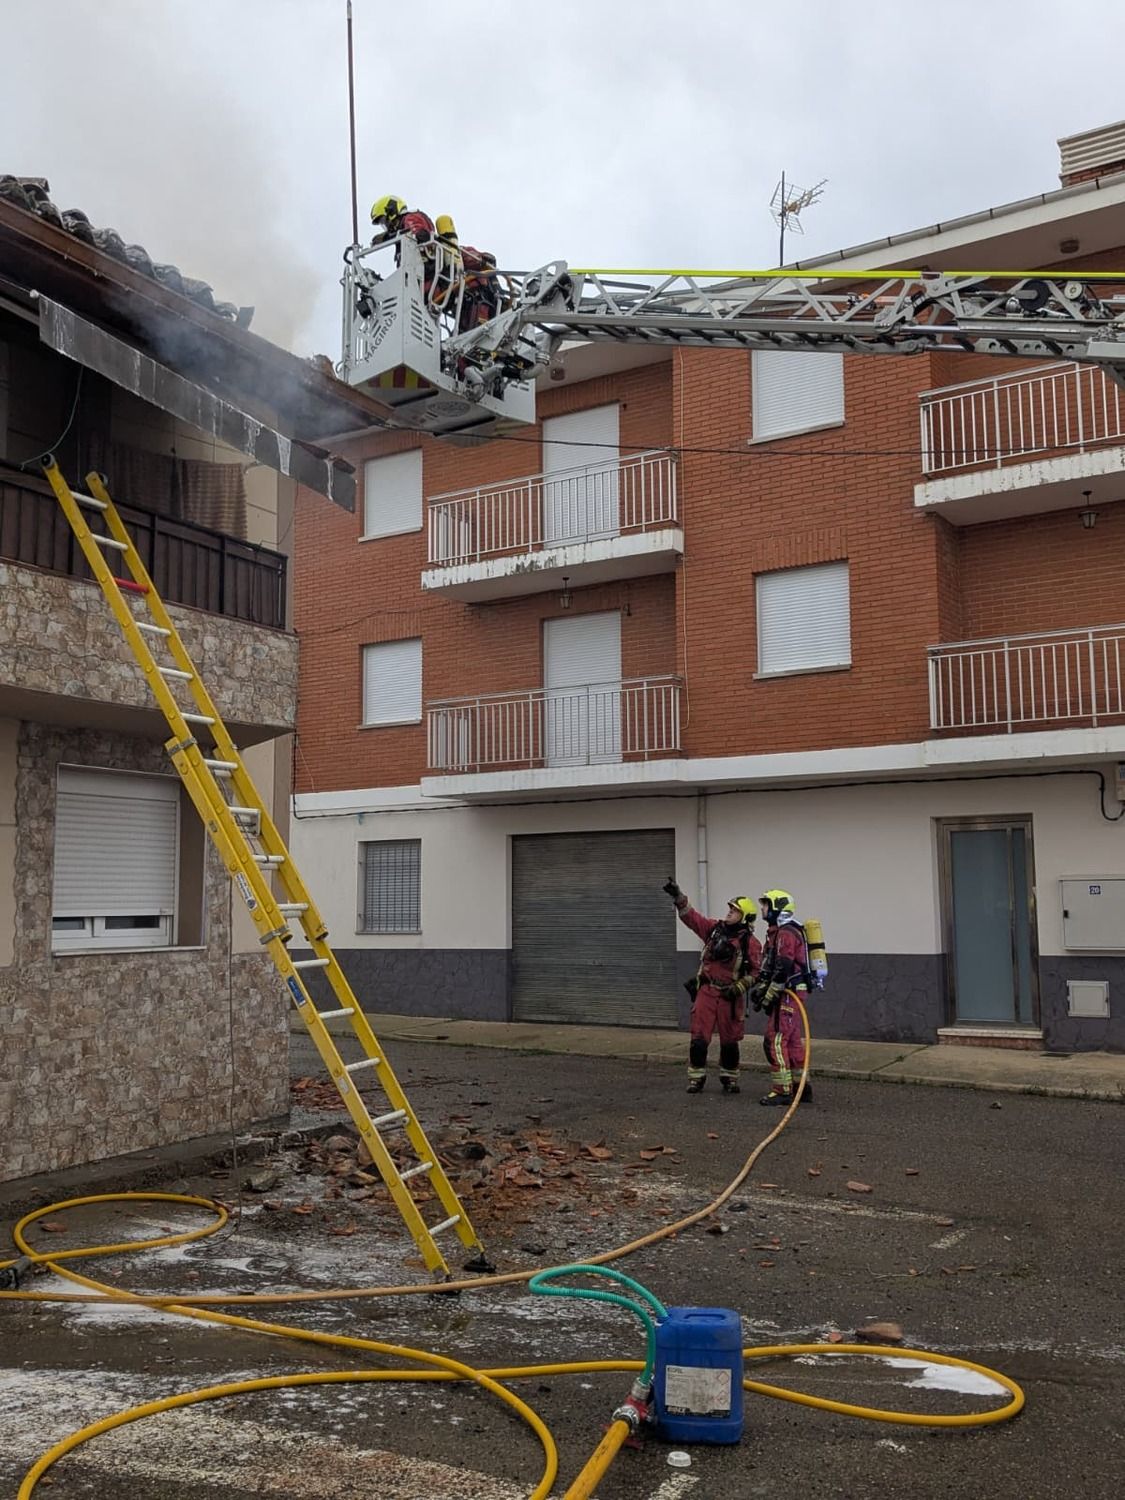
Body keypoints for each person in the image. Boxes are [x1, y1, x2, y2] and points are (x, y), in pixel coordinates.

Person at [663, 878, 761, 1094]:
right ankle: (696, 1079)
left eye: (735, 911)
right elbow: (692, 918)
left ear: (744, 916)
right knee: (699, 1038)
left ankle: (729, 1078)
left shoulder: (750, 943)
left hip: (730, 996)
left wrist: (739, 987)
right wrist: (678, 897)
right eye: (730, 909)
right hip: (707, 992)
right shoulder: (715, 930)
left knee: (730, 1041)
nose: (729, 912)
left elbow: (756, 972)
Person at [752, 889, 812, 1107]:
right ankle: (801, 1087)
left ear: (777, 908)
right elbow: (770, 966)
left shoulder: (785, 933)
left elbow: (783, 967)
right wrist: (761, 988)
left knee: (776, 1040)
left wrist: (768, 996)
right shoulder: (781, 932)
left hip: (788, 994)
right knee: (793, 1041)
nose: (762, 908)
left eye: (766, 904)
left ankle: (782, 1090)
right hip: (792, 993)